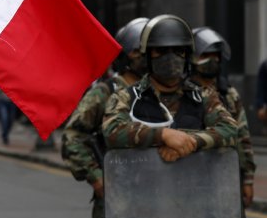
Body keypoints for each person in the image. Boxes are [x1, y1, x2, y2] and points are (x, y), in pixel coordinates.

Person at [61, 17, 148, 218]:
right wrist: (97, 177)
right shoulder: (106, 92)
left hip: (161, 196)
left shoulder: (167, 93)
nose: (144, 56)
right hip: (116, 198)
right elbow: (73, 136)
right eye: (137, 50)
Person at [102, 14, 237, 161]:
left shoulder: (203, 97)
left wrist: (190, 142)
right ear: (148, 55)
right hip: (142, 181)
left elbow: (229, 129)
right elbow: (112, 131)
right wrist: (163, 135)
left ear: (186, 56)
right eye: (161, 51)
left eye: (178, 50)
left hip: (195, 181)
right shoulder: (127, 97)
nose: (170, 57)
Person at [190, 26, 256, 207]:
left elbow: (242, 136)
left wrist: (248, 179)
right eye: (205, 56)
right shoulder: (184, 92)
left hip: (224, 174)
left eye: (215, 55)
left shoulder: (228, 94)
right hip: (189, 176)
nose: (212, 60)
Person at [0, 80, 17, 145]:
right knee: (4, 117)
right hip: (1, 101)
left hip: (12, 101)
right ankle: (5, 136)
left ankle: (5, 133)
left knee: (11, 120)